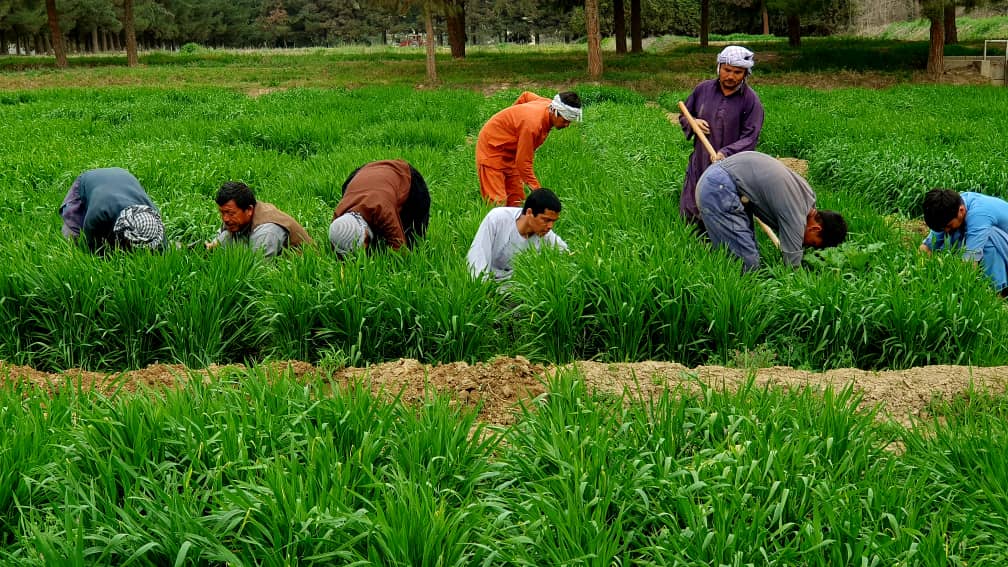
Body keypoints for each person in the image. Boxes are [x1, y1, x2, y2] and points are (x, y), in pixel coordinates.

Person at [695, 151, 846, 271]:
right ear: (815, 228)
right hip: (719, 188)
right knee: (747, 265)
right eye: (811, 243)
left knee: (743, 250)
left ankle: (705, 247)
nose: (805, 246)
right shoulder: (796, 215)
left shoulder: (807, 196)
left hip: (722, 180)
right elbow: (792, 268)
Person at [679, 45, 765, 228]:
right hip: (700, 161)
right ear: (719, 67)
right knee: (691, 211)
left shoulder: (751, 101)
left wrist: (726, 152)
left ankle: (722, 248)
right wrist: (694, 123)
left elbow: (750, 137)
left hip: (729, 168)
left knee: (724, 212)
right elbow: (684, 115)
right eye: (726, 70)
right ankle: (690, 247)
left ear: (745, 74)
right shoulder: (703, 89)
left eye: (737, 72)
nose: (730, 76)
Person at [476, 91, 582, 207]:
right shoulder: (532, 126)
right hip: (491, 148)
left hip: (510, 152)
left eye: (569, 122)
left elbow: (525, 95)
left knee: (517, 201)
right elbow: (523, 163)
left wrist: (513, 121)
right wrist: (539, 192)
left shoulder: (546, 103)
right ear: (555, 112)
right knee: (497, 204)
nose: (567, 125)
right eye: (565, 120)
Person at [329, 159, 431, 257]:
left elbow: (400, 250)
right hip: (366, 172)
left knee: (412, 242)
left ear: (365, 234)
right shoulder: (338, 219)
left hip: (404, 175)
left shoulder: (383, 211)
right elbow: (337, 245)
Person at [467, 188, 568, 283]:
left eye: (553, 221)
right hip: (488, 281)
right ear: (529, 212)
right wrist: (481, 289)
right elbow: (478, 255)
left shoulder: (546, 235)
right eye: (546, 220)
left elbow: (567, 256)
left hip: (515, 287)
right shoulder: (497, 219)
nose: (550, 226)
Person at [920, 188, 1008, 296]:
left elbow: (970, 261)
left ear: (961, 211)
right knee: (954, 232)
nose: (946, 230)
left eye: (948, 225)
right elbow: (927, 247)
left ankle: (997, 292)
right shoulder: (951, 207)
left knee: (988, 238)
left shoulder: (979, 215)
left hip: (1001, 243)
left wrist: (956, 292)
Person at [59, 167, 165, 253]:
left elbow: (162, 245)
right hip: (90, 179)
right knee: (73, 236)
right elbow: (92, 244)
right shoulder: (98, 213)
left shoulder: (153, 218)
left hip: (122, 177)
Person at [207, 181, 312, 258]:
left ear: (249, 210)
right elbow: (224, 235)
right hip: (264, 255)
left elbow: (258, 272)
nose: (225, 218)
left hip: (296, 273)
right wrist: (212, 246)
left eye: (230, 213)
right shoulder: (236, 219)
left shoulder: (267, 230)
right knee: (226, 237)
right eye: (222, 212)